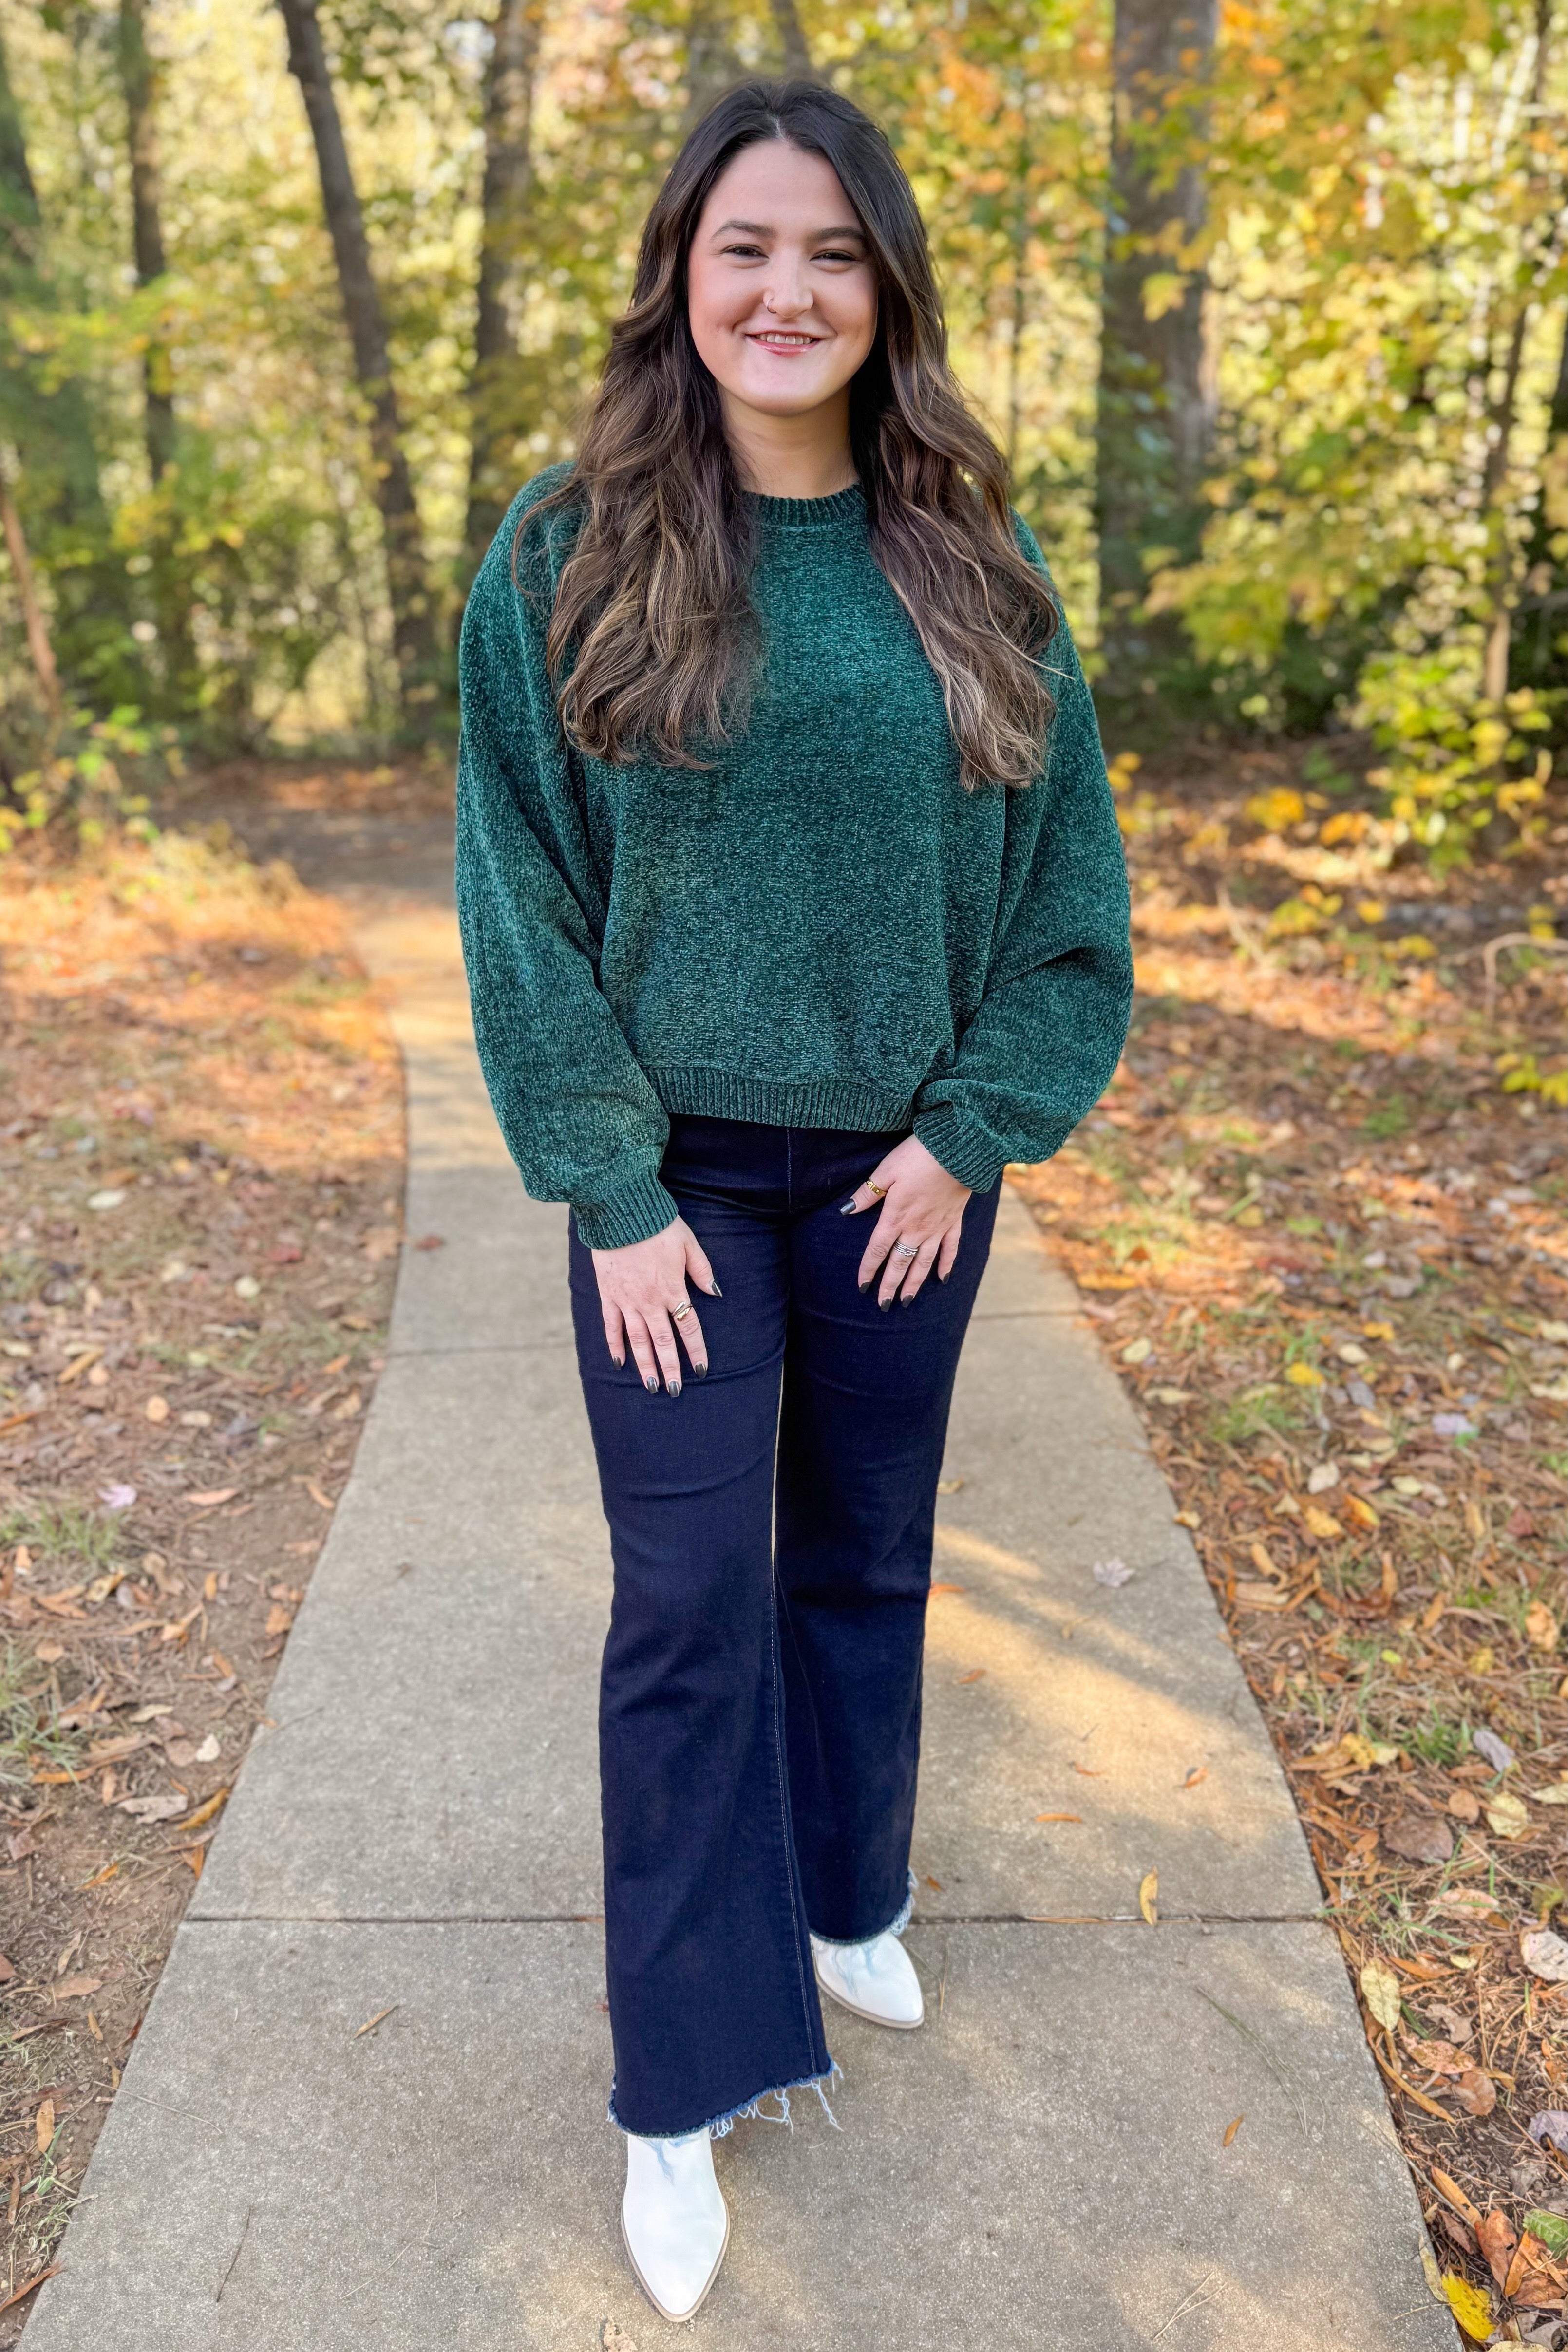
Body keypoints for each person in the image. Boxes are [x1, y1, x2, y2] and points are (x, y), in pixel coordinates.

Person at [455, 77, 1132, 2324]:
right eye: (746, 244)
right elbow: (517, 887)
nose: (786, 289)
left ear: (884, 288)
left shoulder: (974, 567)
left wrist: (971, 1128)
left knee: (861, 1548)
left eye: (833, 251)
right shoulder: (568, 549)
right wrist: (602, 1177)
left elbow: (1069, 905)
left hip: (898, 1179)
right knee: (683, 1600)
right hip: (668, 1187)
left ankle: (850, 1892)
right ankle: (677, 2083)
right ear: (681, 270)